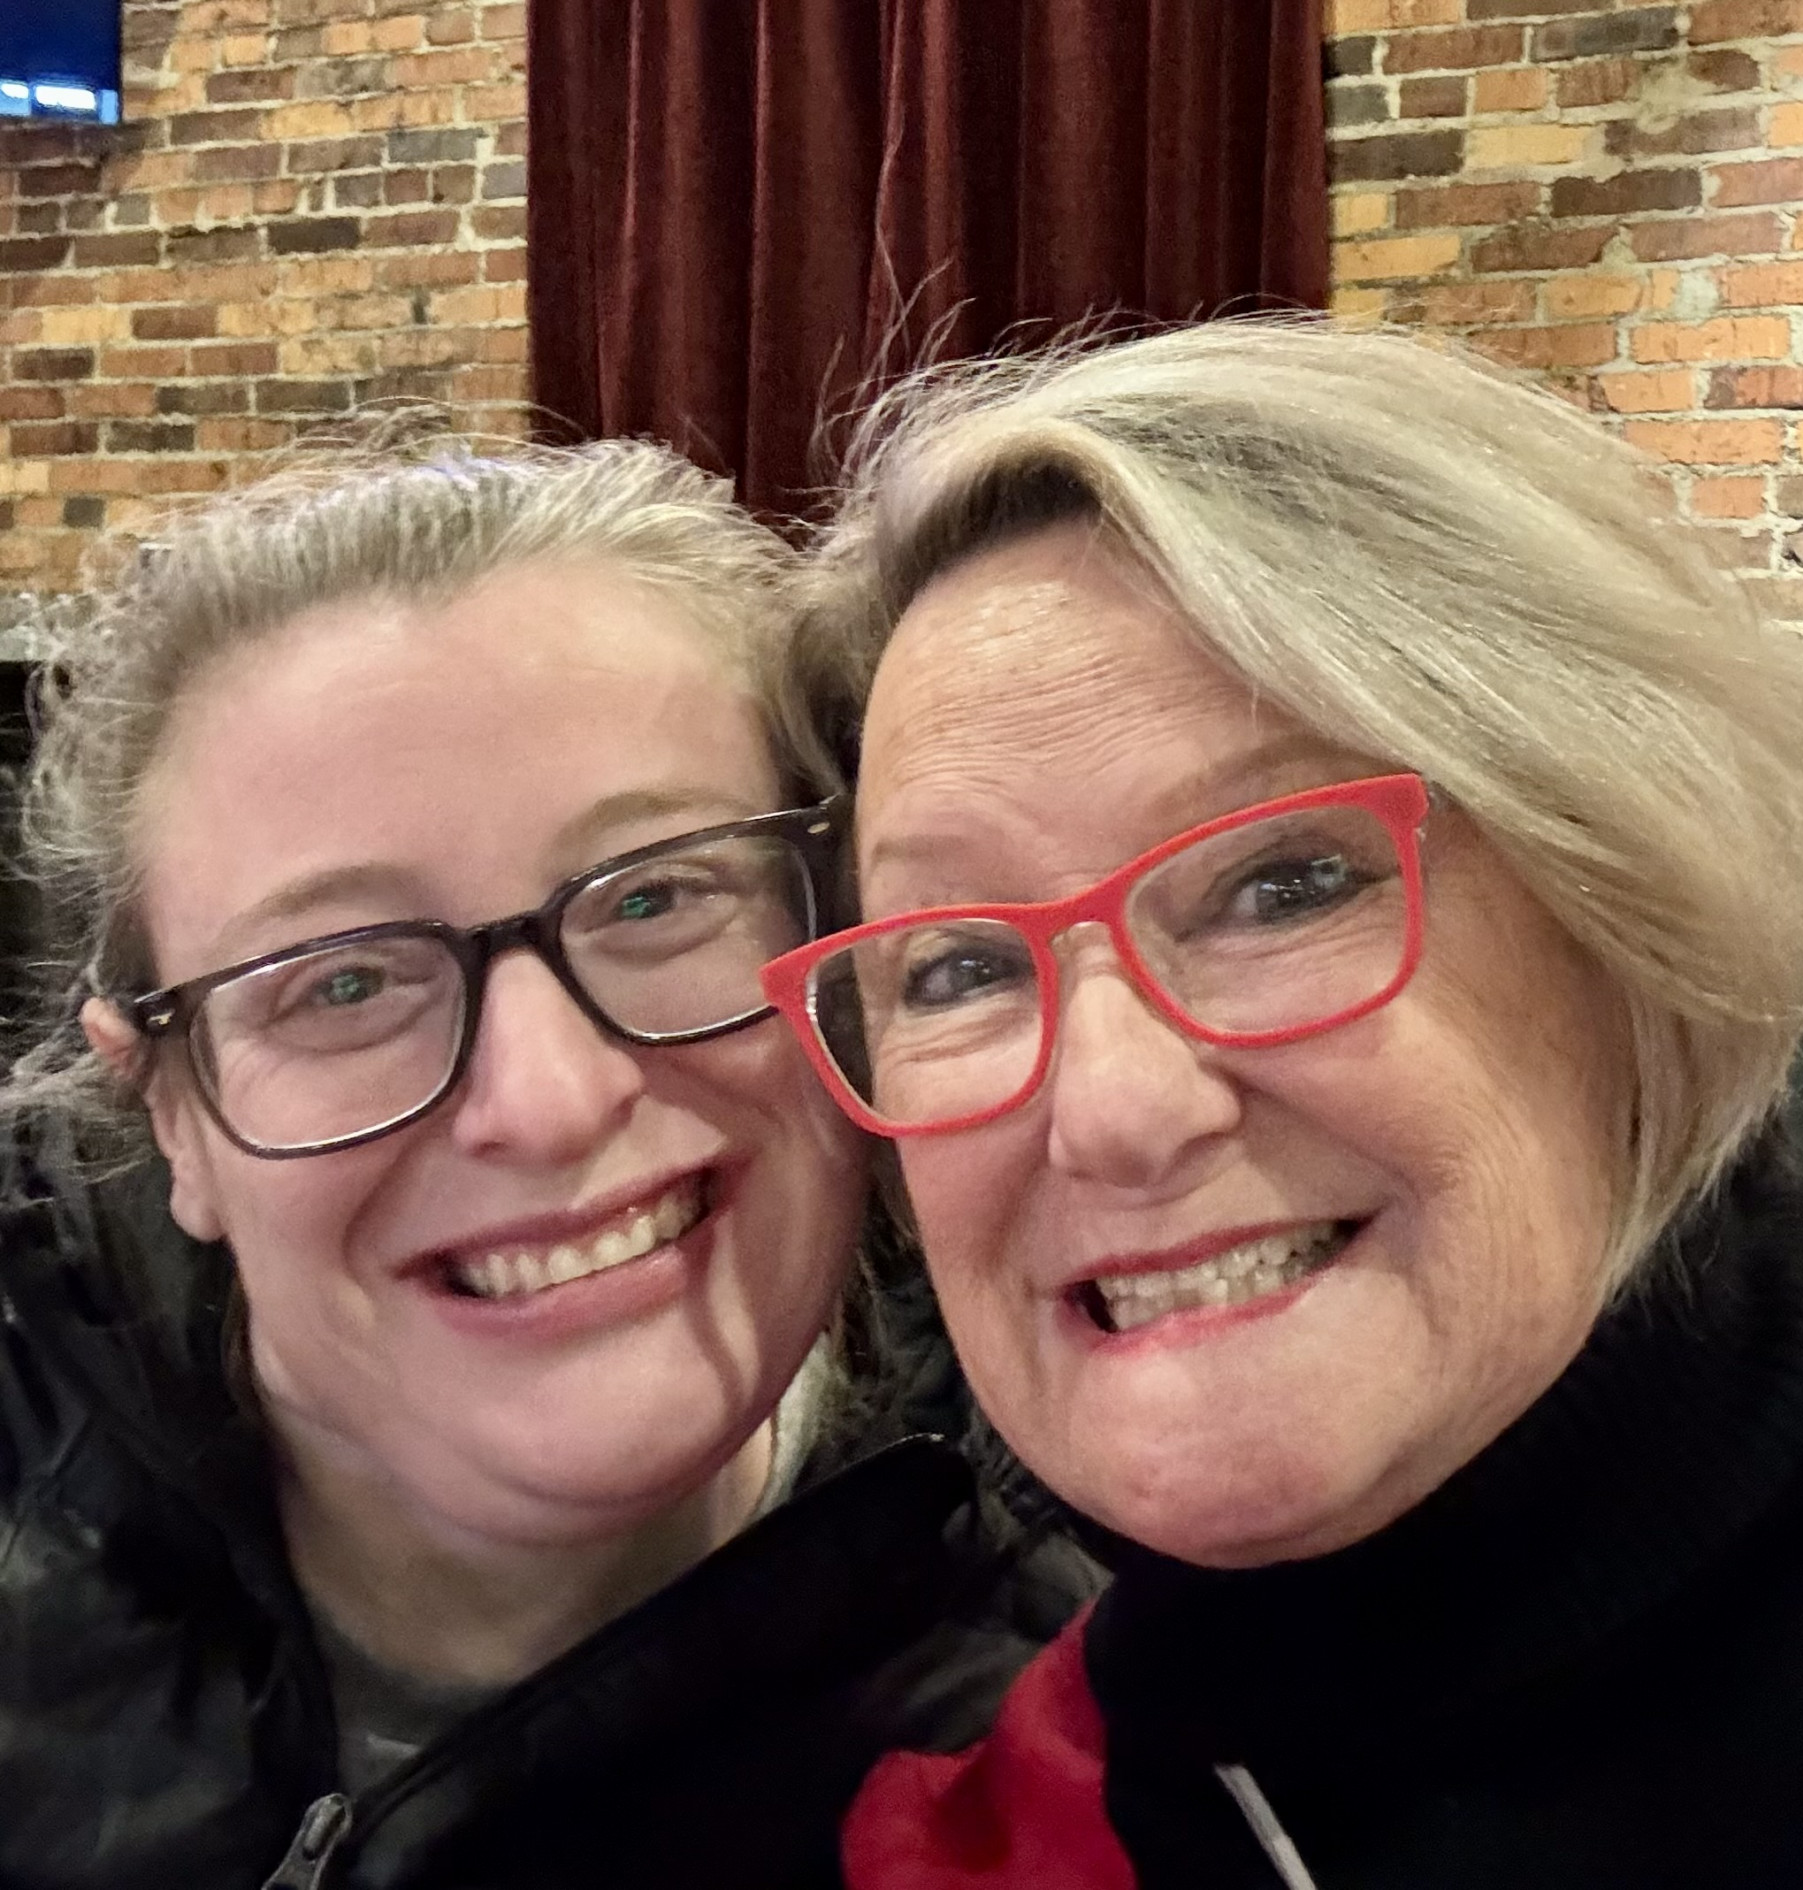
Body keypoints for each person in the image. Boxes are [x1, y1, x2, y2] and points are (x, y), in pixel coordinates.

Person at [761, 319, 1803, 1887]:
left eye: (1282, 883)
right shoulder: (984, 1844)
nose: (1113, 1110)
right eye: (960, 967)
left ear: (1631, 898)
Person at [0, 435, 1069, 1888]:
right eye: (344, 981)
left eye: (656, 896)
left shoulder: (1107, 1725)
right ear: (173, 1113)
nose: (550, 1100)